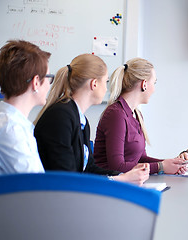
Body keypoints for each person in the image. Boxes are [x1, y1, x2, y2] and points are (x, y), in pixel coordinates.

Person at [34, 54, 149, 185]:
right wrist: (118, 179)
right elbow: (66, 178)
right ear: (94, 84)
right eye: (105, 82)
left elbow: (89, 169)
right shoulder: (60, 116)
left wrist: (126, 176)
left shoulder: (81, 120)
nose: (106, 88)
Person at [93, 58, 187, 175]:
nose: (154, 89)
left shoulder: (136, 115)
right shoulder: (116, 114)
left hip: (127, 181)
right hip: (108, 185)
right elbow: (117, 166)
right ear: (144, 84)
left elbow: (141, 159)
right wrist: (160, 166)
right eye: (154, 82)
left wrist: (170, 163)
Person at [0, 40, 51, 178]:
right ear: (35, 82)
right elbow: (36, 188)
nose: (49, 85)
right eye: (48, 78)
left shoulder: (12, 124)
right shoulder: (10, 129)